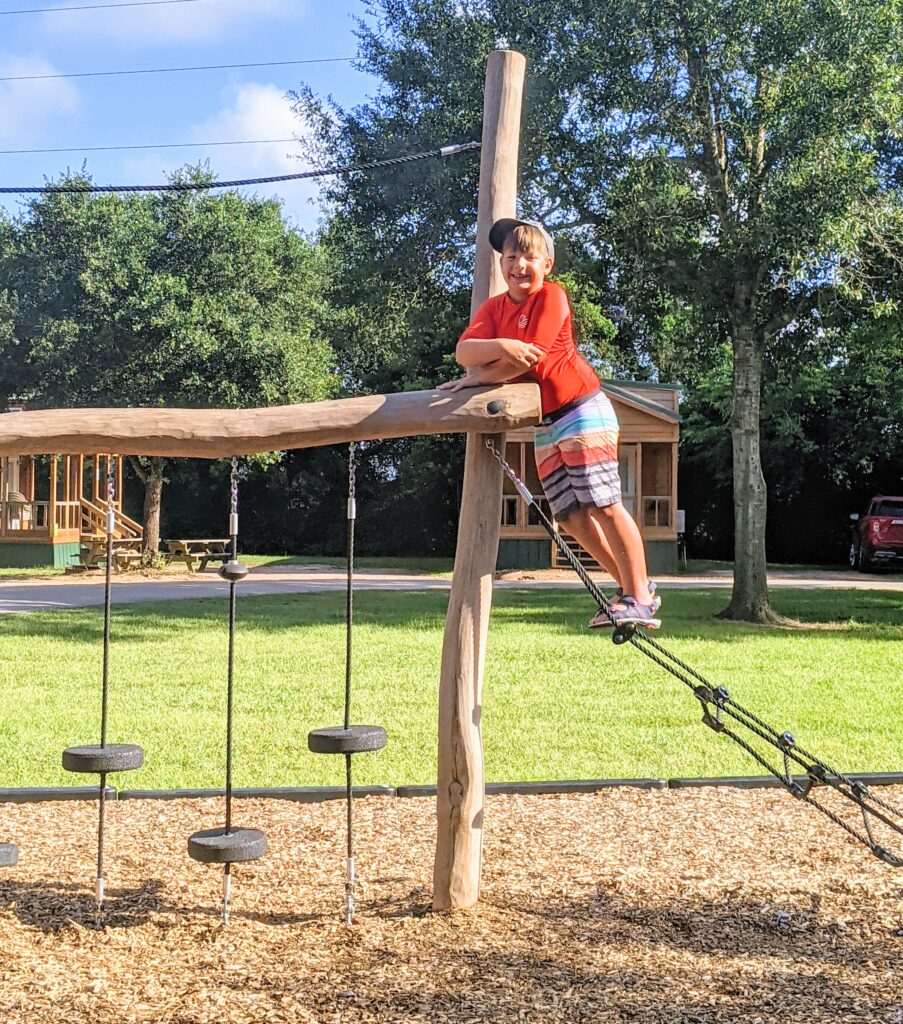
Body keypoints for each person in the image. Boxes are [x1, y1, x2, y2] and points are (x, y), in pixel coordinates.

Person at [438, 217, 661, 629]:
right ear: (501, 264)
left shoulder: (552, 298)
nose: (519, 265)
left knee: (603, 504)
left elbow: (531, 356)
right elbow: (465, 351)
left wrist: (478, 376)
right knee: (570, 515)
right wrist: (500, 345)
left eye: (529, 256)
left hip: (581, 409)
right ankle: (633, 590)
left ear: (547, 264)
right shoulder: (495, 309)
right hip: (546, 423)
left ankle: (640, 597)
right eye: (510, 256)